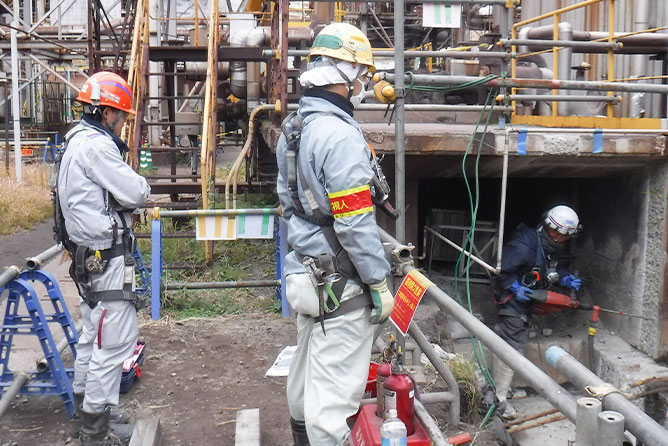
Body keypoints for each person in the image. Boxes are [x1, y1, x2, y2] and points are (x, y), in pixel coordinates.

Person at [276, 22, 394, 446]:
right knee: (332, 408)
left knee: (306, 376)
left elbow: (290, 204)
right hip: (341, 284)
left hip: (306, 272)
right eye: (362, 74)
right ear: (346, 74)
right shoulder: (340, 136)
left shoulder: (294, 128)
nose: (364, 84)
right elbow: (354, 223)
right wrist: (378, 281)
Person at [56, 71, 150, 446]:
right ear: (106, 112)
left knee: (89, 337)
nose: (123, 122)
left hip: (85, 256)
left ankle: (87, 420)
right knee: (113, 344)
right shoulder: (96, 146)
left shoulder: (74, 141)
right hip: (106, 258)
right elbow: (137, 191)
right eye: (121, 115)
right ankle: (95, 434)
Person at [491, 205, 582, 420]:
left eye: (567, 237)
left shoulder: (549, 244)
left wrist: (563, 277)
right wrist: (515, 287)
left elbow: (549, 266)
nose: (564, 240)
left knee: (516, 342)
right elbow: (497, 269)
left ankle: (504, 390)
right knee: (512, 345)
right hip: (511, 300)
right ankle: (498, 400)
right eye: (562, 235)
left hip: (527, 300)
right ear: (552, 230)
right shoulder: (524, 246)